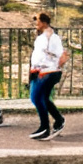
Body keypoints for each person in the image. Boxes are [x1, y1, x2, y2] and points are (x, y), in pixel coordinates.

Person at [27, 12, 66, 141]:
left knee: (37, 97)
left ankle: (45, 128)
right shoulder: (42, 37)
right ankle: (59, 120)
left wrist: (57, 63)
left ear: (44, 22)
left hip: (49, 72)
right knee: (41, 98)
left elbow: (61, 54)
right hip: (40, 71)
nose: (35, 24)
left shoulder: (52, 37)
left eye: (37, 21)